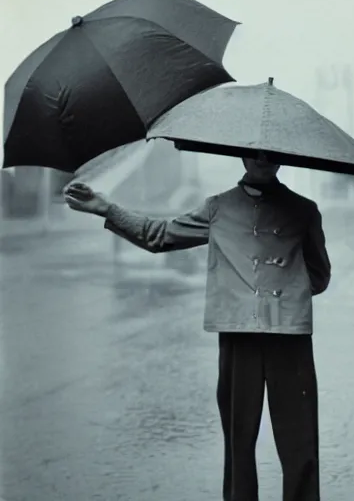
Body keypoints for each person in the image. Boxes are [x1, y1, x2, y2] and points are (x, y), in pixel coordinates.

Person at [64, 152, 331, 501]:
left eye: (272, 155)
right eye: (255, 153)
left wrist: (286, 280)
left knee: (301, 447)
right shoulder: (218, 208)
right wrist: (105, 208)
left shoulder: (304, 210)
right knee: (238, 444)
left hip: (290, 335)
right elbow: (158, 235)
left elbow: (320, 276)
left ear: (281, 159)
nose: (264, 160)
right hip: (239, 336)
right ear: (242, 157)